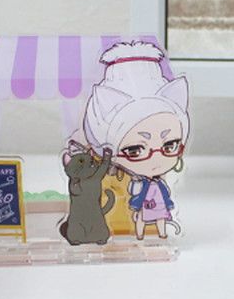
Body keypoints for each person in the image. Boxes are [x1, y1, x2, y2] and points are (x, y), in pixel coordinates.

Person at [80, 40, 189, 239]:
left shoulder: (158, 181)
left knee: (155, 218)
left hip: (154, 207)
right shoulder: (123, 178)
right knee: (141, 217)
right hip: (126, 213)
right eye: (135, 150)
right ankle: (141, 234)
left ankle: (157, 234)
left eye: (169, 145)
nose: (155, 159)